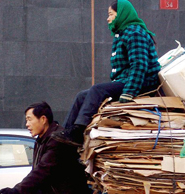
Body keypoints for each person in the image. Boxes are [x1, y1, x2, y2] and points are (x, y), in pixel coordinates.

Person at [52, 0, 161, 147]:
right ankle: (66, 133)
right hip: (125, 80)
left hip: (142, 83)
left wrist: (128, 92)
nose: (108, 19)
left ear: (121, 14)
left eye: (111, 14)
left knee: (97, 89)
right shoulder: (123, 34)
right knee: (82, 96)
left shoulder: (135, 33)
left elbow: (139, 65)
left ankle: (78, 131)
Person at [0, 101, 92, 194]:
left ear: (43, 119)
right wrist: (16, 191)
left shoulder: (58, 140)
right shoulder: (42, 139)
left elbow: (42, 171)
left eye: (29, 119)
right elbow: (36, 172)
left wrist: (16, 191)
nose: (27, 125)